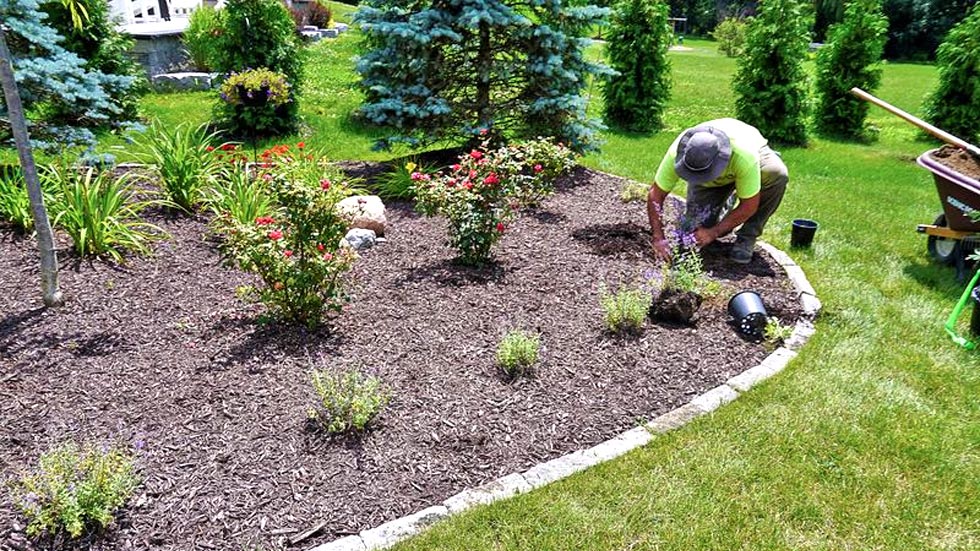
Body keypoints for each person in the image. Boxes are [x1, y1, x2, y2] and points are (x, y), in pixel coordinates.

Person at [647, 118, 788, 264]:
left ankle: (748, 236)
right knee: (693, 234)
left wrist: (712, 233)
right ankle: (726, 204)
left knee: (777, 174)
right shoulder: (677, 153)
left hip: (751, 157)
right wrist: (659, 238)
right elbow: (655, 195)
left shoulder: (744, 156)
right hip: (714, 180)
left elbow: (749, 205)